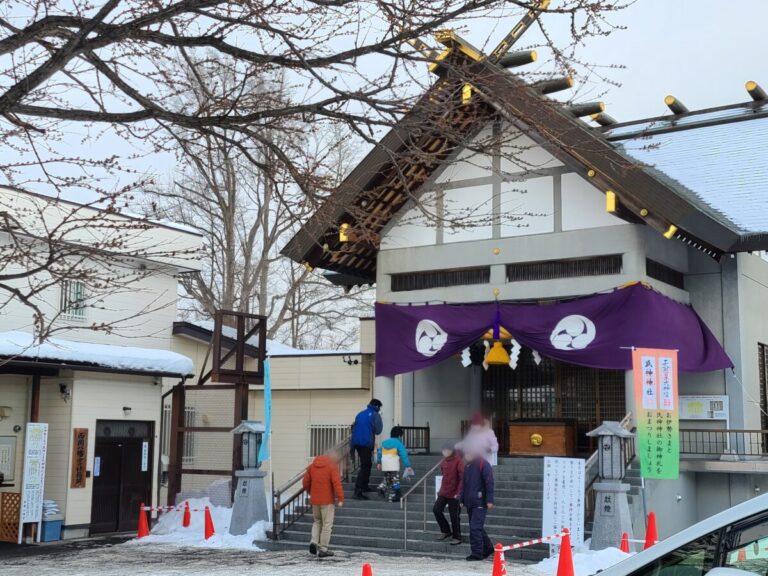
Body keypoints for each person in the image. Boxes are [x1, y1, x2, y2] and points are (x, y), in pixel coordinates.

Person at [302, 448, 345, 558]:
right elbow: (337, 484)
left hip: (315, 500)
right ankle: (323, 549)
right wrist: (340, 498)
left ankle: (313, 542)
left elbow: (305, 482)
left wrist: (311, 492)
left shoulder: (312, 466)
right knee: (327, 525)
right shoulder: (332, 466)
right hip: (327, 501)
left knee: (317, 522)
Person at [459, 449, 495, 561]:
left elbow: (489, 482)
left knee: (475, 528)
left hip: (480, 502)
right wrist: (461, 499)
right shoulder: (468, 466)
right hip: (470, 502)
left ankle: (477, 553)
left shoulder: (483, 464)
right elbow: (463, 485)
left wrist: (489, 500)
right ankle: (488, 547)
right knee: (477, 527)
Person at [351, 398, 383, 499]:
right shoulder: (375, 414)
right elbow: (378, 430)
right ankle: (358, 490)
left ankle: (364, 486)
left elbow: (354, 426)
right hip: (366, 443)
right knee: (365, 466)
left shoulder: (360, 414)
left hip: (356, 442)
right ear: (377, 407)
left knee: (367, 464)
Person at [433, 441, 463, 545]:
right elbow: (444, 476)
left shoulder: (458, 461)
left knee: (454, 515)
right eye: (443, 450)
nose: (445, 452)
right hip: (444, 491)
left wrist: (459, 492)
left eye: (447, 450)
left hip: (455, 493)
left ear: (452, 450)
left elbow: (462, 478)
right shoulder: (444, 461)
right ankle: (446, 531)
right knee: (436, 509)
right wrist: (441, 490)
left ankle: (457, 536)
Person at [376, 426, 414, 503]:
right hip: (393, 464)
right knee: (395, 479)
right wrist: (408, 465)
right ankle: (395, 495)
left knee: (388, 478)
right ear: (399, 435)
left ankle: (382, 488)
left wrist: (379, 462)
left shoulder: (384, 442)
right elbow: (404, 455)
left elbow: (379, 452)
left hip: (385, 464)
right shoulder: (399, 443)